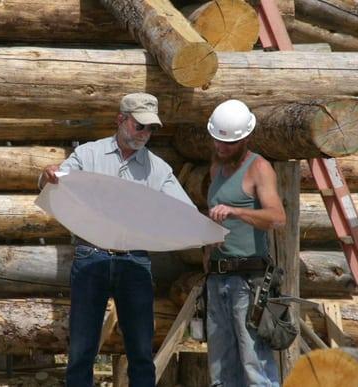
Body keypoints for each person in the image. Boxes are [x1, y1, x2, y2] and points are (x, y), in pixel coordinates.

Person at [39, 93, 195, 387]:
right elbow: (55, 180)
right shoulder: (88, 155)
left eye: (150, 129)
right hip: (90, 255)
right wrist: (47, 175)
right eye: (140, 126)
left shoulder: (158, 169)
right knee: (82, 348)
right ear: (120, 120)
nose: (145, 135)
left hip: (135, 258)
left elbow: (183, 212)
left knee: (140, 349)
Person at [203, 99, 286, 387]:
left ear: (245, 138)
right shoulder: (216, 168)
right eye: (217, 141)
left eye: (228, 143)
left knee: (254, 363)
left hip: (248, 280)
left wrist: (237, 211)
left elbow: (277, 218)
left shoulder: (259, 168)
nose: (221, 147)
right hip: (217, 277)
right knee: (220, 365)